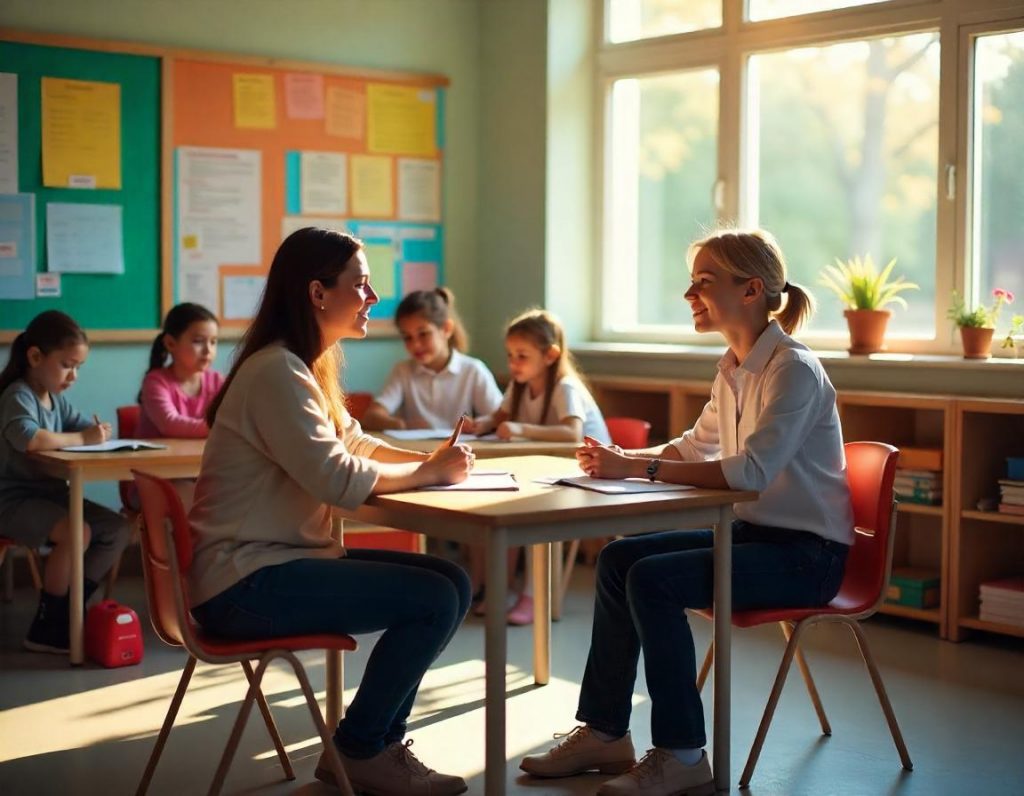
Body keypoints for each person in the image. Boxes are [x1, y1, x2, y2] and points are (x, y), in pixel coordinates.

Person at [520, 229, 853, 796]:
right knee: (620, 559)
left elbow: (748, 472)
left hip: (807, 557)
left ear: (751, 290)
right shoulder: (734, 366)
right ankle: (605, 732)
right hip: (756, 537)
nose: (688, 293)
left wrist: (639, 470)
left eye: (704, 281)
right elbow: (694, 447)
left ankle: (682, 755)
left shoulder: (792, 368)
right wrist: (623, 458)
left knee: (654, 579)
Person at [188, 227, 473, 796]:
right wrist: (428, 473)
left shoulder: (303, 364)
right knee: (435, 598)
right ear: (318, 292)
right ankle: (362, 749)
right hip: (243, 584)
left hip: (269, 565)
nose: (373, 298)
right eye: (361, 285)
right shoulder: (277, 371)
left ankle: (377, 746)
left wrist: (430, 461)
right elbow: (338, 478)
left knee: (451, 580)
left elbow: (356, 445)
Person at [0, 310, 133, 653]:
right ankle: (48, 626)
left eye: (79, 367)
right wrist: (83, 438)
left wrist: (98, 433)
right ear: (34, 357)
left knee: (117, 529)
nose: (73, 375)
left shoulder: (54, 397)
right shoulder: (19, 395)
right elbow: (29, 438)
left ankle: (69, 608)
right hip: (13, 500)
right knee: (79, 532)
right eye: (67, 365)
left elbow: (78, 427)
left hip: (53, 497)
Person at [468, 308, 609, 625]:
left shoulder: (565, 387)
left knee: (530, 511)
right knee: (499, 505)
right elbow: (498, 417)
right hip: (553, 473)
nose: (513, 363)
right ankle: (500, 588)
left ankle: (534, 596)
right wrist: (482, 424)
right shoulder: (520, 384)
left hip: (591, 475)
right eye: (510, 355)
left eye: (522, 355)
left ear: (550, 355)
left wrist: (521, 429)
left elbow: (572, 433)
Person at [361, 288, 502, 431]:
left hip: (461, 450)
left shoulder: (473, 370)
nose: (415, 345)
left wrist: (479, 424)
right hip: (419, 451)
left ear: (446, 329)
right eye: (407, 337)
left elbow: (499, 418)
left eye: (423, 334)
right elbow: (372, 417)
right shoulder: (403, 371)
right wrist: (404, 425)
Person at [137, 302, 223, 438]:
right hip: (160, 459)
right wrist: (224, 429)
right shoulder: (155, 381)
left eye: (213, 342)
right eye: (198, 341)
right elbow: (170, 424)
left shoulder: (218, 381)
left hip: (200, 457)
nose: (208, 350)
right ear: (171, 343)